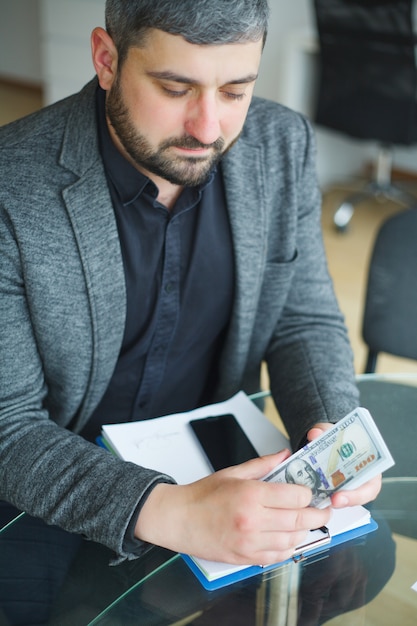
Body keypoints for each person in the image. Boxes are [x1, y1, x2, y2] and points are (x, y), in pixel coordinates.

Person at [0, 0, 381, 571]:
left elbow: (301, 319)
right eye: (176, 89)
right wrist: (171, 512)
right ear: (107, 60)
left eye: (234, 91)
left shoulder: (280, 145)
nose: (208, 129)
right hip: (50, 490)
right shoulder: (12, 186)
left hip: (222, 469)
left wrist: (329, 432)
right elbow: (10, 425)